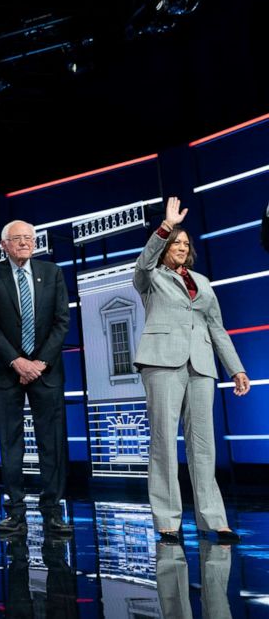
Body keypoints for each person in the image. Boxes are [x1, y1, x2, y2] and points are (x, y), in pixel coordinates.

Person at [133, 196, 249, 544]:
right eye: (176, 242)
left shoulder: (203, 282)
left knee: (203, 444)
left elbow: (217, 328)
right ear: (165, 245)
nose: (182, 247)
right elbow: (142, 263)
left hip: (201, 365)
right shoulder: (151, 277)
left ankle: (214, 519)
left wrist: (236, 369)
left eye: (186, 243)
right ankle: (168, 521)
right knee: (164, 442)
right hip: (162, 362)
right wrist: (166, 225)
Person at [0, 220, 72, 537]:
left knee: (51, 443)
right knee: (10, 443)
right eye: (17, 239)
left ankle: (53, 511)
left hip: (47, 371)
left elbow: (62, 321)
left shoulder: (53, 272)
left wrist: (39, 362)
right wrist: (17, 361)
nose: (24, 243)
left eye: (29, 238)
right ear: (4, 245)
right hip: (6, 371)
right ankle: (15, 511)